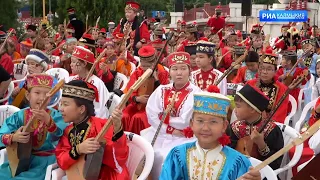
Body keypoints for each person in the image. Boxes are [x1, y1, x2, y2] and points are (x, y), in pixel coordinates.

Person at [160, 89, 261, 180]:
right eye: (200, 121)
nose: (205, 128)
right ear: (191, 124)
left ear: (224, 126)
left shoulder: (237, 162)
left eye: (213, 122)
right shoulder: (178, 155)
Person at [141, 52, 201, 179]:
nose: (179, 73)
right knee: (143, 152)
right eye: (175, 69)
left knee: (167, 157)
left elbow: (185, 121)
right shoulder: (161, 90)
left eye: (183, 68)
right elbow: (151, 114)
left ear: (189, 71)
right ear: (170, 72)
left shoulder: (196, 93)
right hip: (160, 133)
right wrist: (169, 129)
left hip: (184, 136)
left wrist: (163, 119)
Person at [55, 80, 129, 179]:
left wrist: (117, 127)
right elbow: (61, 160)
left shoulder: (101, 125)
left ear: (81, 109)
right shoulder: (69, 130)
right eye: (61, 104)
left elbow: (119, 158)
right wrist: (78, 149)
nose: (61, 109)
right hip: (78, 174)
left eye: (65, 104)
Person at [0, 74, 67, 179]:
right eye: (37, 92)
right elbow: (2, 134)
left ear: (51, 98)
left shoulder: (55, 116)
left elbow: (62, 137)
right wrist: (14, 137)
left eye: (46, 94)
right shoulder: (19, 116)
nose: (42, 97)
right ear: (28, 95)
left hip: (45, 162)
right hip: (19, 161)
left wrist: (49, 122)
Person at [229, 84, 284, 171]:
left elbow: (275, 165)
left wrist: (261, 144)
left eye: (238, 106)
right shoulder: (234, 127)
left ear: (252, 109)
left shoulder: (272, 130)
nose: (235, 110)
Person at [122, 46, 169, 134]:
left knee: (138, 118)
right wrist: (137, 99)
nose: (145, 68)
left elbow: (164, 95)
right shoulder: (137, 72)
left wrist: (156, 80)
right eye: (143, 65)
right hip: (137, 103)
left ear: (154, 63)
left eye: (148, 66)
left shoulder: (162, 72)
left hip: (153, 107)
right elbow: (129, 91)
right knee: (124, 115)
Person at [246, 51, 288, 123]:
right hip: (250, 121)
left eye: (269, 69)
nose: (265, 72)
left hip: (270, 124)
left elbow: (280, 114)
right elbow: (244, 106)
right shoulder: (250, 84)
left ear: (275, 71)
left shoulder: (282, 89)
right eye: (262, 68)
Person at [68, 46, 109, 119]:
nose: (71, 65)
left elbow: (99, 110)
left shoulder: (97, 84)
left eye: (74, 62)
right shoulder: (72, 80)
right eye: (71, 62)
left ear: (84, 64)